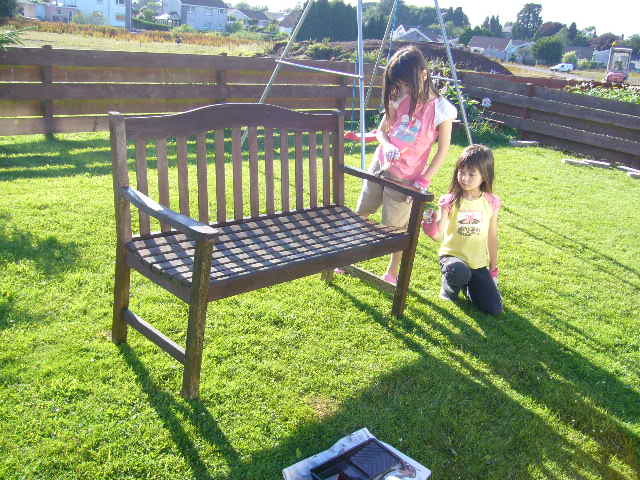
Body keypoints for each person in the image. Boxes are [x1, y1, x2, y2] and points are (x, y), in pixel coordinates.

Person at [352, 45, 457, 284]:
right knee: (362, 211)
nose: (404, 89)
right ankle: (348, 257)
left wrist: (423, 181)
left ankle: (392, 272)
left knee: (395, 229)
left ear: (423, 74)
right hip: (380, 167)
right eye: (400, 84)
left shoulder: (442, 110)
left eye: (407, 84)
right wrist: (388, 145)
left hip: (405, 179)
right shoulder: (400, 97)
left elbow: (442, 151)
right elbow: (381, 131)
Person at [422, 144, 503, 316]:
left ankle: (468, 286)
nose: (464, 178)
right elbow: (439, 235)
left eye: (471, 174)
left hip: (478, 263)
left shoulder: (491, 202)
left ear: (484, 175)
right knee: (459, 270)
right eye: (461, 172)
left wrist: (493, 268)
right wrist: (430, 226)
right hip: (453, 258)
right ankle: (449, 288)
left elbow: (492, 236)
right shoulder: (449, 201)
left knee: (494, 309)